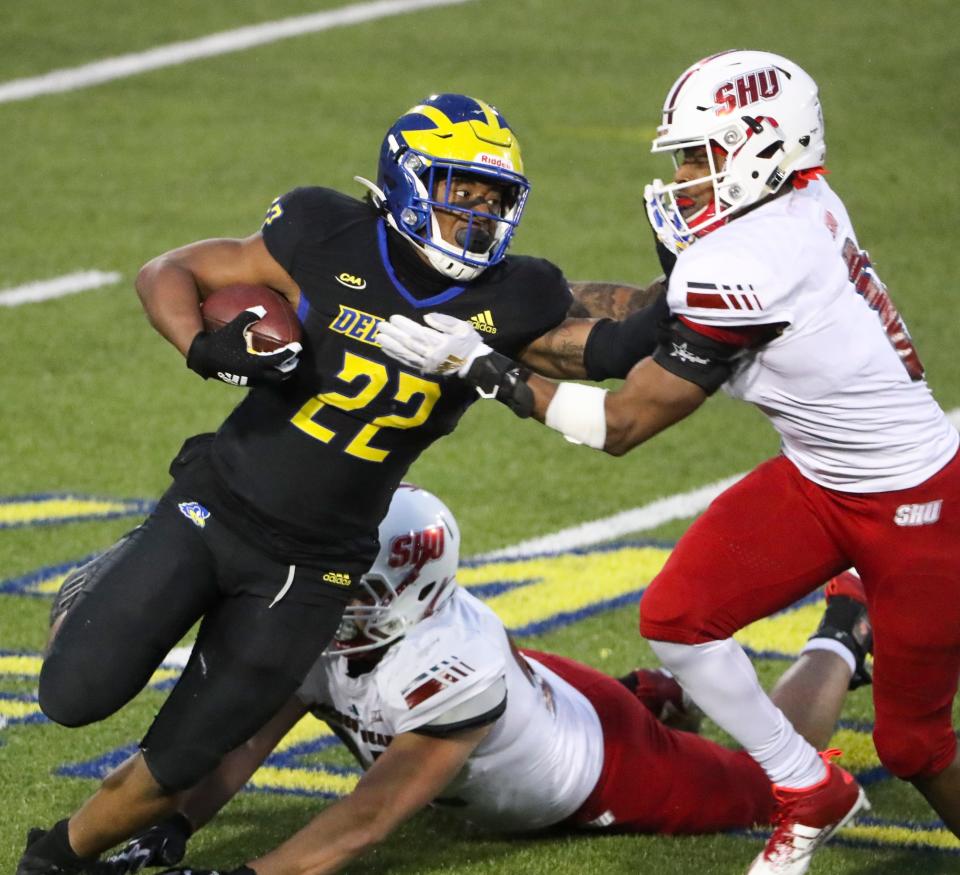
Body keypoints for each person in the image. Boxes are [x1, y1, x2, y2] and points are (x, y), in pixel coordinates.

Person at [17, 93, 669, 875]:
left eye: (496, 200)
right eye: (463, 192)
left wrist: (696, 279)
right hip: (217, 502)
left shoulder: (514, 298)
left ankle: (54, 859)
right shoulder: (325, 230)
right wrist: (205, 348)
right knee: (71, 695)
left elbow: (616, 343)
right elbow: (171, 271)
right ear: (408, 181)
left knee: (182, 760)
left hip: (318, 563)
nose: (480, 216)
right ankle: (101, 580)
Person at [375, 52, 960, 875]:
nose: (683, 175)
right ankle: (807, 790)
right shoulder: (797, 202)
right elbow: (639, 323)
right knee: (680, 617)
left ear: (760, 147)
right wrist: (487, 315)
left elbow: (622, 423)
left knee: (915, 744)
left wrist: (487, 368)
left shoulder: (749, 263)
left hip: (919, 503)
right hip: (823, 476)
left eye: (697, 155)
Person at [90, 484, 872, 875]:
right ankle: (651, 695)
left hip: (599, 769)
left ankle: (842, 631)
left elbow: (370, 813)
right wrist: (173, 824)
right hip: (541, 694)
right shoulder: (365, 617)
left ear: (396, 595)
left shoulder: (445, 675)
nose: (325, 594)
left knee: (778, 774)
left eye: (345, 586)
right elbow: (243, 735)